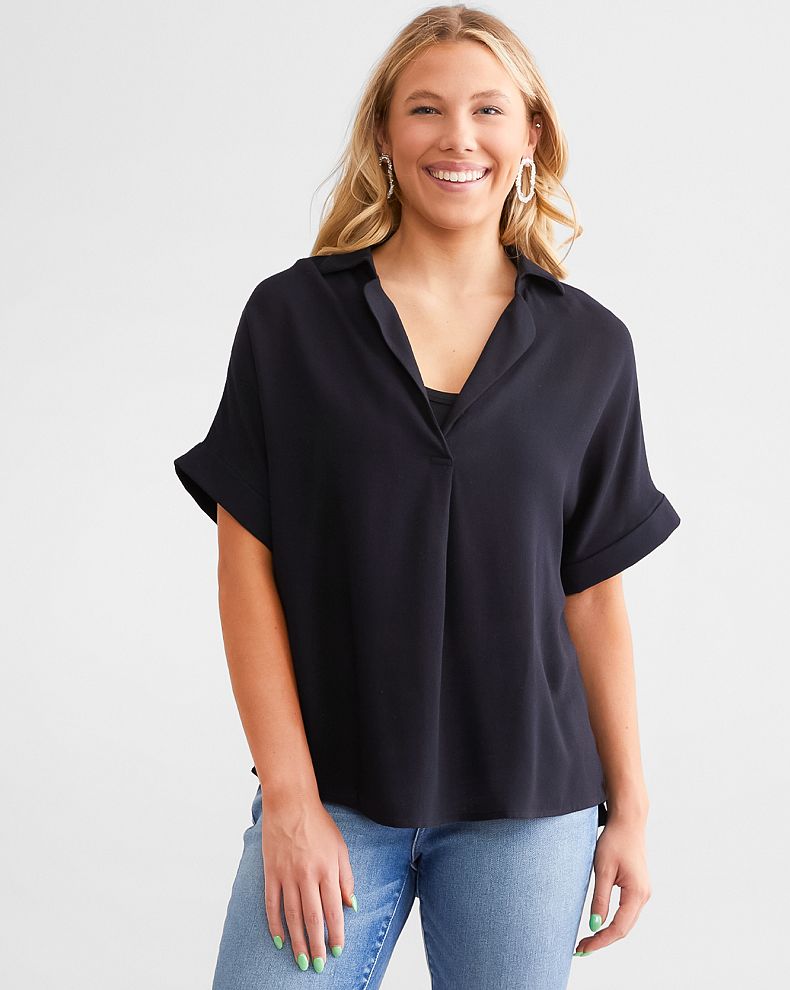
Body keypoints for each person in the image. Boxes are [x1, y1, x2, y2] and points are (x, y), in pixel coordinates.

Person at [173, 5, 681, 988]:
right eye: (425, 109)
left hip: (529, 807)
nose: (457, 137)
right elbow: (245, 568)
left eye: (488, 109)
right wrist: (289, 801)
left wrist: (631, 809)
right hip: (333, 792)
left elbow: (591, 598)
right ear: (383, 133)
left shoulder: (589, 346)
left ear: (528, 135)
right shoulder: (291, 320)